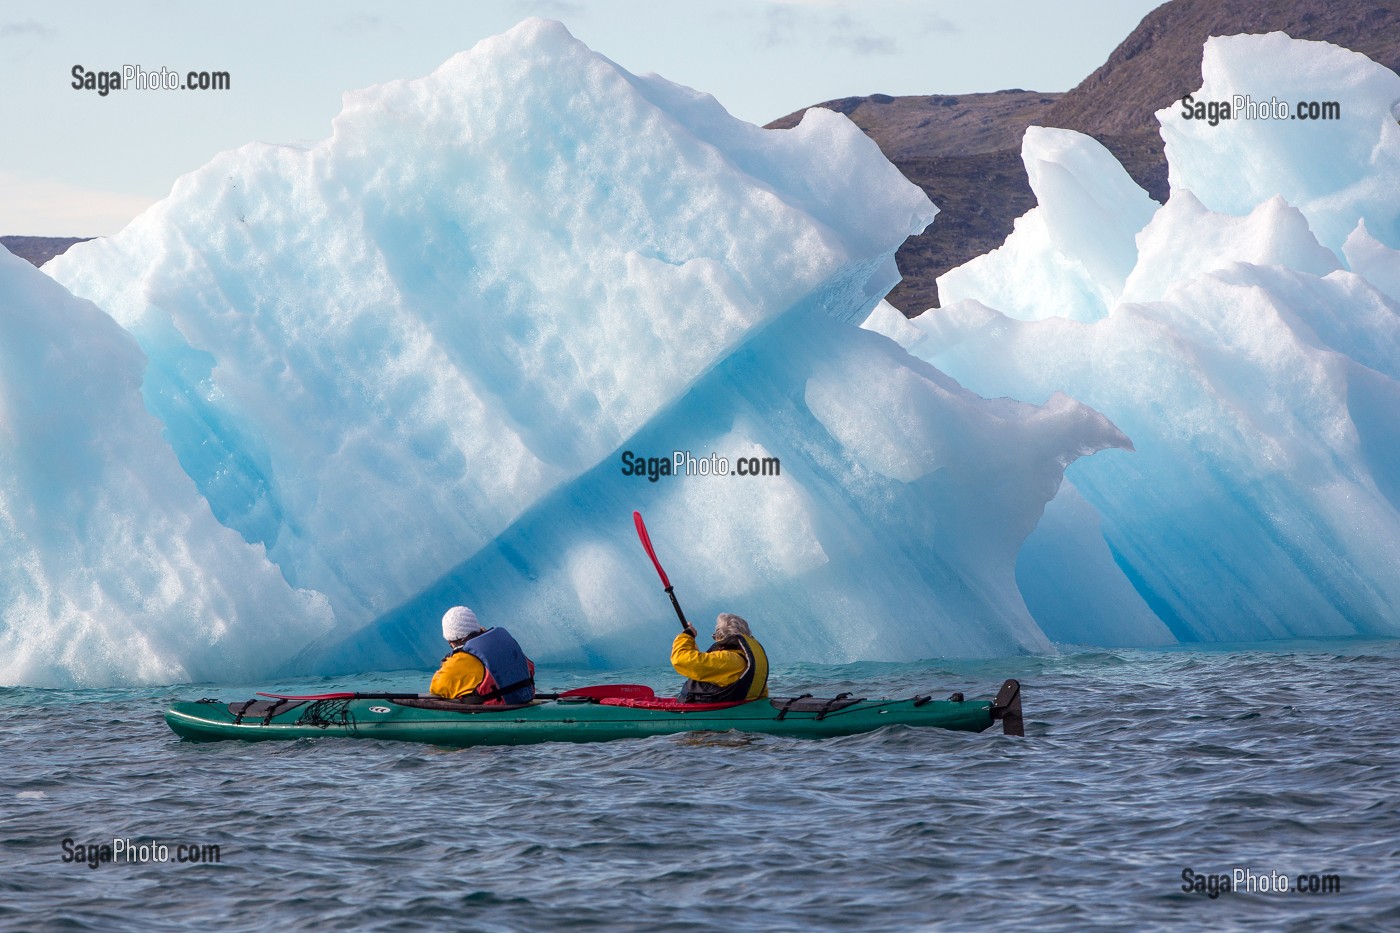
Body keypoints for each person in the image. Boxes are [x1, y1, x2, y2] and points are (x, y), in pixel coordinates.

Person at [429, 606, 536, 704]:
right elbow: (530, 667)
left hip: (498, 710)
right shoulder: (502, 641)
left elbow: (437, 687)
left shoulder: (462, 658)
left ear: (453, 640)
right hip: (525, 698)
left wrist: (446, 663)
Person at [671, 612, 769, 703]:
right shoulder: (747, 658)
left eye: (715, 637)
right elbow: (700, 665)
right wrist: (690, 640)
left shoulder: (727, 659)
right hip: (747, 705)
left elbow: (680, 659)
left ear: (721, 637)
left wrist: (686, 636)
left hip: (719, 711)